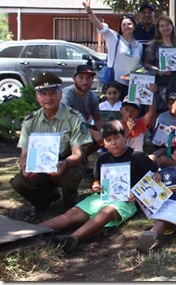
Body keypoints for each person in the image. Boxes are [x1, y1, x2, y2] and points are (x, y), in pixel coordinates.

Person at [39, 120, 157, 252]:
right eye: (109, 139)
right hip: (101, 197)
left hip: (125, 202)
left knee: (105, 213)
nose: (113, 142)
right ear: (104, 143)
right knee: (71, 214)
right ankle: (31, 231)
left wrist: (138, 194)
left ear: (125, 137)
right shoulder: (103, 159)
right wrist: (95, 185)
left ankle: (73, 238)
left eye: (117, 138)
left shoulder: (137, 156)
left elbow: (154, 178)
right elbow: (95, 180)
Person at [10, 72, 93, 215]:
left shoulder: (74, 117)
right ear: (37, 97)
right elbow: (24, 154)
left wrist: (64, 164)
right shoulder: (30, 121)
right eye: (43, 94)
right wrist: (25, 166)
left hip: (68, 162)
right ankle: (45, 200)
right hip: (40, 166)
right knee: (19, 181)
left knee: (69, 174)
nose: (48, 98)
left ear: (61, 94)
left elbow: (78, 154)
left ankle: (70, 198)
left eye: (53, 93)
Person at [83, 0, 143, 98]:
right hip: (115, 84)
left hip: (133, 85)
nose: (126, 26)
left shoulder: (139, 45)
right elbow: (99, 25)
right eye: (123, 24)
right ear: (120, 27)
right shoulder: (114, 38)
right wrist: (89, 11)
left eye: (129, 24)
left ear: (134, 26)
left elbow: (139, 65)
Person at [144, 15, 176, 114]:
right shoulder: (153, 45)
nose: (165, 28)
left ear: (172, 26)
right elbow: (147, 65)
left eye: (167, 25)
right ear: (158, 29)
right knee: (160, 116)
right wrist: (159, 72)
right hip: (161, 88)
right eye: (162, 26)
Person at [61, 65, 104, 154]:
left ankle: (83, 158)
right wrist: (91, 132)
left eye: (88, 78)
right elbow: (64, 120)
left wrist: (103, 134)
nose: (85, 81)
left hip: (82, 129)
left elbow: (98, 119)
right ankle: (69, 157)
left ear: (92, 80)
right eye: (81, 78)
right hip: (65, 130)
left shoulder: (93, 97)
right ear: (74, 79)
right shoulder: (67, 95)